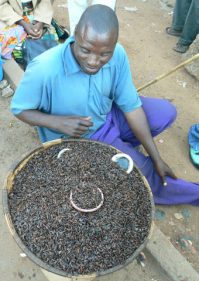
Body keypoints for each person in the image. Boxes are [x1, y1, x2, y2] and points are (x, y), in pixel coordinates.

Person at [11, 5, 199, 205]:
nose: (93, 61)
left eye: (104, 55)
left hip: (109, 114)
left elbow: (132, 107)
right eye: (85, 50)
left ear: (113, 45)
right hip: (83, 136)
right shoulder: (44, 68)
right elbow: (19, 109)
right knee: (143, 176)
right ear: (75, 36)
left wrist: (156, 157)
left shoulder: (117, 53)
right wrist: (57, 123)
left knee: (165, 112)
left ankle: (122, 147)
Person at [0, 0, 67, 62]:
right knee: (20, 47)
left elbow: (46, 2)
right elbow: (1, 5)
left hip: (37, 14)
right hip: (11, 17)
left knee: (48, 40)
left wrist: (40, 22)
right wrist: (22, 23)